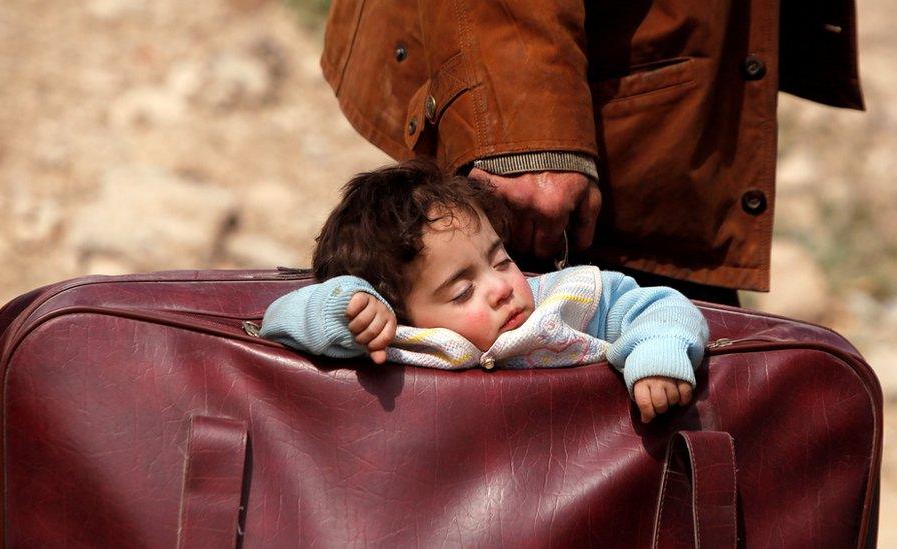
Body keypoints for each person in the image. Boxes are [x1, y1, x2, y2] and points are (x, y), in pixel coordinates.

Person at [319, 1, 864, 304]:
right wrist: (521, 129)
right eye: (465, 292)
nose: (497, 295)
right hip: (550, 150)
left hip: (664, 118)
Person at [261, 160, 709, 423]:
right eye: (461, 293)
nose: (500, 287)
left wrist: (658, 356)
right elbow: (276, 322)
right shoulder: (397, 340)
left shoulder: (567, 300)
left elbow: (663, 306)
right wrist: (350, 307)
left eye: (500, 260)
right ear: (401, 312)